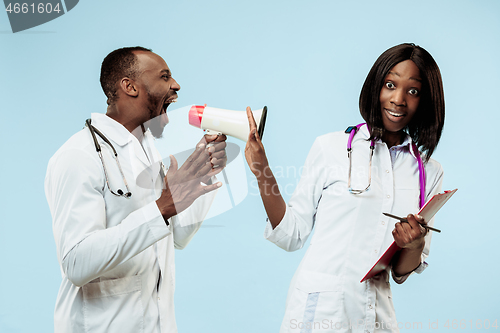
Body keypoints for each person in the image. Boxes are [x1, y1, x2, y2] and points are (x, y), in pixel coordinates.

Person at [245, 43, 445, 332]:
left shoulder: (429, 171)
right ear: (376, 86)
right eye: (390, 85)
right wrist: (261, 168)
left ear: (425, 100)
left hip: (376, 314)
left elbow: (402, 271)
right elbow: (291, 234)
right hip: (320, 311)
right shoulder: (331, 147)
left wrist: (413, 245)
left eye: (413, 91)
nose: (398, 99)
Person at [45, 46, 227, 333]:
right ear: (129, 86)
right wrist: (162, 208)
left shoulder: (148, 151)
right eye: (165, 76)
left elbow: (178, 237)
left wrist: (201, 175)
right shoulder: (79, 155)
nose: (176, 85)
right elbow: (76, 263)